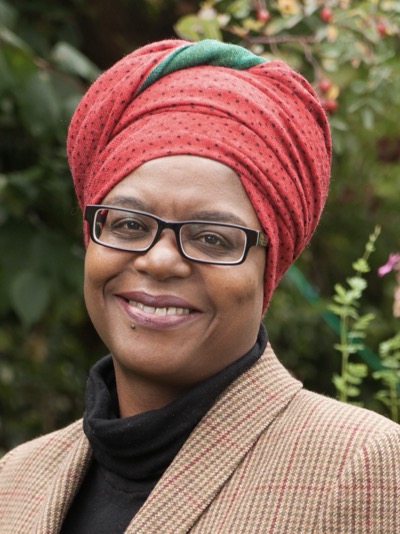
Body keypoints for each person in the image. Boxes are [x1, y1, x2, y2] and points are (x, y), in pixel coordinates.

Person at [0, 38, 399, 534]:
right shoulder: (15, 483)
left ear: (269, 266)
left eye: (212, 238)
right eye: (127, 224)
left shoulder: (359, 468)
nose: (160, 260)